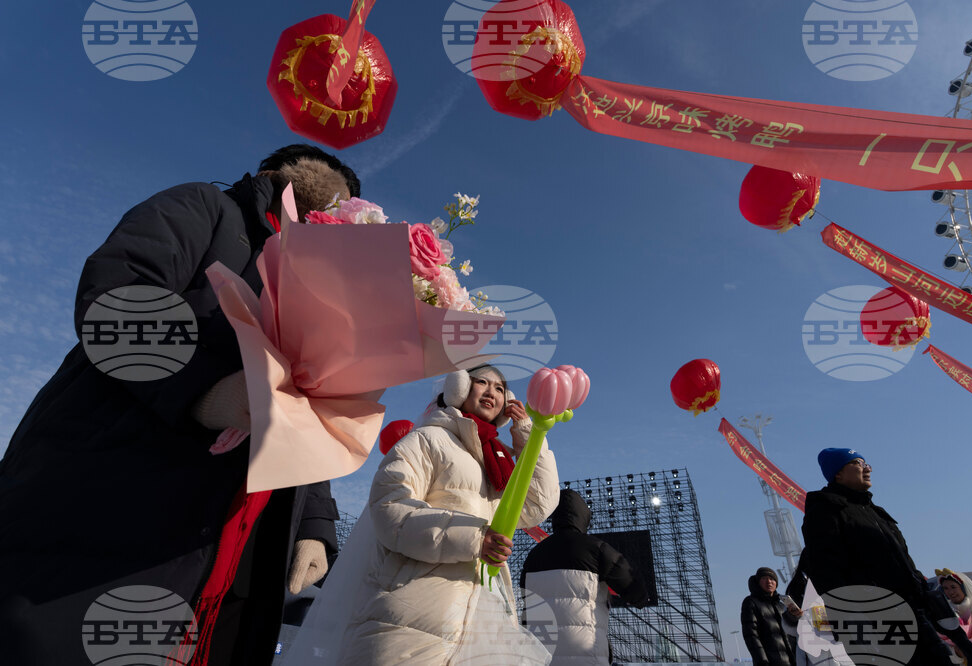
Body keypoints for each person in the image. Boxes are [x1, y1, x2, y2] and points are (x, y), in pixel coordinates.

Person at [0, 145, 360, 666]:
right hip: (116, 499)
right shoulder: (209, 210)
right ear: (277, 177)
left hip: (239, 544)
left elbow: (312, 410)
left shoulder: (328, 294)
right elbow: (117, 293)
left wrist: (314, 525)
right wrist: (206, 388)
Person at [285, 365, 560, 665]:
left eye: (499, 388)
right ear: (459, 388)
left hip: (481, 622)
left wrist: (529, 438)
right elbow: (390, 506)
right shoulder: (429, 439)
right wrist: (474, 538)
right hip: (411, 615)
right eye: (482, 382)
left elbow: (537, 504)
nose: (492, 392)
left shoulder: (499, 462)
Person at [800, 448, 963, 665]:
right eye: (858, 463)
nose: (867, 468)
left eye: (867, 463)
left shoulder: (876, 512)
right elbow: (825, 571)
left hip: (914, 610)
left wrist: (925, 594)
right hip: (877, 616)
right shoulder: (825, 511)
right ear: (838, 473)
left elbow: (906, 563)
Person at [519, 488, 648, 665]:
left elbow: (526, 605)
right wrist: (640, 599)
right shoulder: (596, 548)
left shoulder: (533, 556)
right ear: (583, 516)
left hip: (541, 655)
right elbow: (632, 585)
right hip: (587, 653)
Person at [741, 566, 796, 666]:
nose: (769, 582)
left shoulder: (781, 605)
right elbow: (751, 635)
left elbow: (792, 631)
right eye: (764, 579)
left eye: (772, 579)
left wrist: (795, 617)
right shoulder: (751, 602)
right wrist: (762, 661)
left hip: (791, 661)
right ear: (758, 582)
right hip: (770, 661)